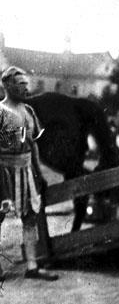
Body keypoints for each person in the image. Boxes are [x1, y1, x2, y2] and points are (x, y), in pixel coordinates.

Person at [0, 66, 58, 281]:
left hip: (25, 170)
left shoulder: (29, 112)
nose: (26, 87)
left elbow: (33, 145)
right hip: (2, 170)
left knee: (30, 217)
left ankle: (32, 266)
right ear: (6, 85)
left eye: (26, 83)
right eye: (20, 84)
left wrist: (38, 172)